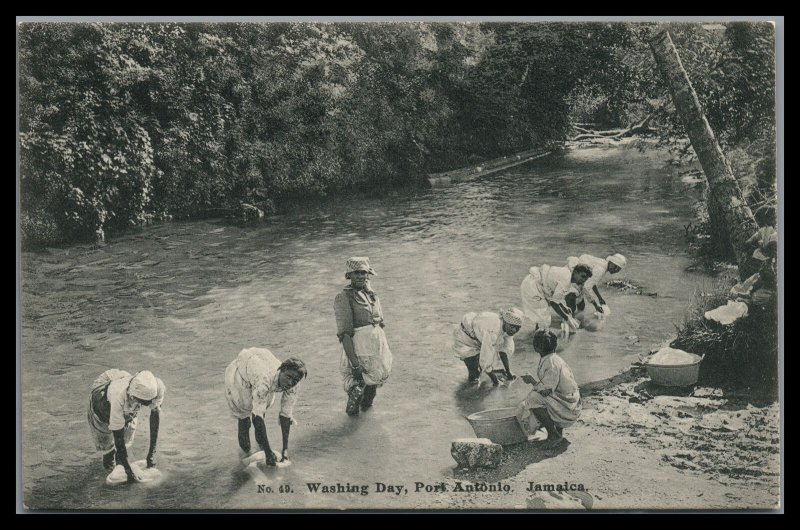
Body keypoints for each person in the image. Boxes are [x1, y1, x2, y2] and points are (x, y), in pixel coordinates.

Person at [224, 348, 307, 466]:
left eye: (295, 380)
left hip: (259, 366)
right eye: (288, 377)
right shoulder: (264, 381)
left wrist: (285, 450)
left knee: (261, 411)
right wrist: (269, 453)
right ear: (281, 371)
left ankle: (262, 449)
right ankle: (245, 456)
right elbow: (257, 418)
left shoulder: (294, 384)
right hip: (241, 375)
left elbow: (285, 415)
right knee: (245, 419)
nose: (290, 383)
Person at [334, 257, 393, 417]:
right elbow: (345, 334)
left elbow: (379, 322)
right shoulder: (344, 297)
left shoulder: (371, 295)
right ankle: (350, 427)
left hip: (375, 349)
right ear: (349, 275)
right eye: (357, 273)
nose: (361, 276)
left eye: (364, 273)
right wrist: (354, 364)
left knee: (371, 392)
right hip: (359, 349)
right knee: (356, 391)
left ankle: (365, 428)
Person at [87, 369, 165, 482]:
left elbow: (154, 414)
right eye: (144, 403)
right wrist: (129, 471)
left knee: (126, 436)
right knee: (109, 451)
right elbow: (117, 434)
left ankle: (120, 463)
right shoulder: (118, 397)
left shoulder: (155, 387)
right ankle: (111, 469)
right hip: (102, 396)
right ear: (133, 397)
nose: (147, 406)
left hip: (123, 379)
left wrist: (152, 453)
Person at [517, 329, 582, 445]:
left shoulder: (550, 362)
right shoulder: (554, 358)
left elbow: (547, 391)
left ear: (536, 347)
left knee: (532, 398)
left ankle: (553, 435)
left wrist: (531, 381)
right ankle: (557, 432)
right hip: (571, 401)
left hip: (569, 407)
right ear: (555, 346)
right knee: (542, 394)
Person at [451, 308, 523, 386]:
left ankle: (480, 386)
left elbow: (504, 351)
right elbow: (485, 359)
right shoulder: (493, 331)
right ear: (505, 322)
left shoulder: (508, 330)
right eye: (512, 326)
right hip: (465, 337)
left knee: (484, 367)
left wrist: (508, 372)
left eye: (518, 328)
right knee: (474, 372)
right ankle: (471, 392)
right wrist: (495, 382)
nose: (514, 330)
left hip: (478, 335)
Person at [520, 263, 593, 335]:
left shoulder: (567, 274)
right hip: (532, 286)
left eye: (586, 279)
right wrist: (567, 318)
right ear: (576, 272)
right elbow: (553, 303)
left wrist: (564, 307)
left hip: (533, 283)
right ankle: (539, 339)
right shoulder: (566, 279)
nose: (583, 280)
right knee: (544, 319)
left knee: (543, 318)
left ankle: (536, 336)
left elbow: (554, 298)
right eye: (583, 276)